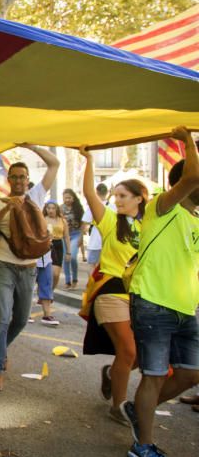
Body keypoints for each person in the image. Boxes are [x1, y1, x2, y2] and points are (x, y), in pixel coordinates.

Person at [120, 128, 199, 457]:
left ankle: (140, 409)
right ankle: (143, 445)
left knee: (190, 375)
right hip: (152, 302)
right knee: (153, 376)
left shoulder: (195, 219)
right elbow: (193, 174)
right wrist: (188, 138)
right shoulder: (161, 207)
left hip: (185, 308)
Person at [0, 145, 59, 391]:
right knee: (2, 317)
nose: (17, 180)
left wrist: (29, 145)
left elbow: (54, 163)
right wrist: (7, 206)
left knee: (22, 319)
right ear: (8, 179)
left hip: (29, 268)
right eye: (13, 176)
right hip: (5, 264)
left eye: (22, 177)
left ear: (27, 180)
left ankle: (0, 351)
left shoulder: (36, 196)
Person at [79, 147, 144, 425]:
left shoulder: (151, 226)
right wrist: (90, 160)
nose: (116, 200)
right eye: (115, 195)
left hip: (140, 295)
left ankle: (110, 375)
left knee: (140, 355)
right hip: (110, 291)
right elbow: (90, 195)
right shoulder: (108, 220)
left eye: (123, 196)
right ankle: (118, 406)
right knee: (128, 352)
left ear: (139, 199)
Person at [38, 201, 68, 326]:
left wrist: (69, 252)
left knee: (50, 279)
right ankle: (26, 314)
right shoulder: (41, 219)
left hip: (53, 250)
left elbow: (66, 236)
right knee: (29, 284)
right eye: (48, 208)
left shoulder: (62, 220)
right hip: (38, 251)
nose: (50, 210)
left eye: (53, 208)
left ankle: (47, 314)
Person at [61, 188, 87, 289]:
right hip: (64, 236)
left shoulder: (78, 208)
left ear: (73, 198)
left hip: (76, 234)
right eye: (65, 198)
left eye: (69, 197)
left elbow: (83, 224)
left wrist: (81, 236)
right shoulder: (60, 208)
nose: (67, 200)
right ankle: (68, 281)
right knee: (66, 258)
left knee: (72, 257)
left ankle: (75, 279)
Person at [85, 183, 108, 268]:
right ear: (107, 192)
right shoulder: (113, 207)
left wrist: (81, 236)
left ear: (96, 192)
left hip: (95, 242)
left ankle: (93, 281)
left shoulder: (93, 206)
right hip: (107, 243)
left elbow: (85, 223)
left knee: (93, 267)